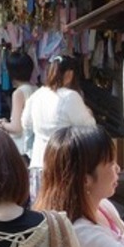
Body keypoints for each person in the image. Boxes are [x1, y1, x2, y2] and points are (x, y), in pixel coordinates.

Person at [23, 54, 95, 199]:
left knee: (41, 212)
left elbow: (26, 123)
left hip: (38, 164)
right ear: (69, 74)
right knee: (63, 214)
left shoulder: (37, 95)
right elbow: (90, 128)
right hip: (64, 165)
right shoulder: (70, 97)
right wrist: (89, 112)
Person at [0, 51, 37, 159]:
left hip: (21, 147)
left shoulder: (19, 93)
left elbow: (16, 127)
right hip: (34, 145)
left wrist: (3, 124)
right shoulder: (36, 89)